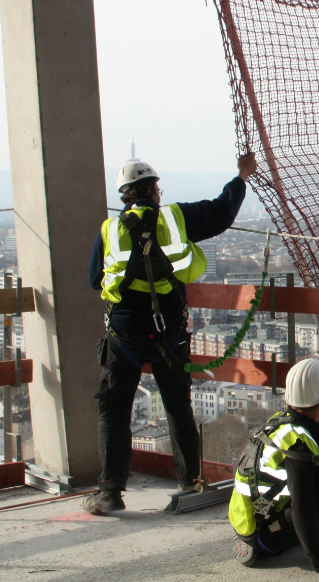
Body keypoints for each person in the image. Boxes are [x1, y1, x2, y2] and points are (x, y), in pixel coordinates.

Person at [82, 153, 257, 514]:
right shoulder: (176, 218)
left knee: (114, 411)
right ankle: (190, 482)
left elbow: (93, 280)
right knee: (178, 407)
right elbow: (221, 212)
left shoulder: (110, 230)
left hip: (124, 335)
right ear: (154, 191)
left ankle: (109, 493)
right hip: (169, 335)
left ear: (125, 195)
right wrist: (241, 175)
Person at [229, 358, 319, 581]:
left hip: (250, 524)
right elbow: (303, 507)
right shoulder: (297, 447)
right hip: (269, 535)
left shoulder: (283, 423)